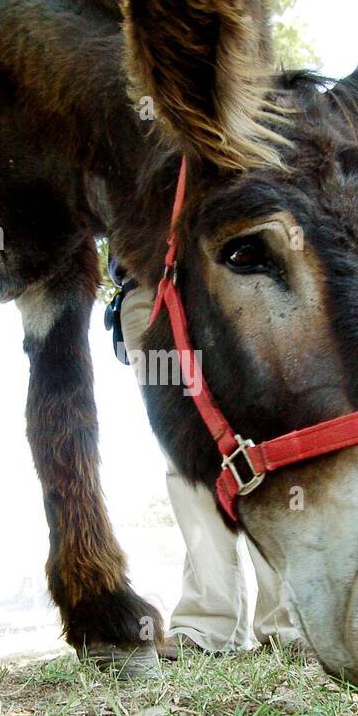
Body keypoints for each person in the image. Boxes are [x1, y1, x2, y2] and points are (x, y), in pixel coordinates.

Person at [107, 262, 302, 659]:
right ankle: (207, 626)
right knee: (185, 463)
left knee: (261, 446)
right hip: (146, 289)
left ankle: (288, 622)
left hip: (229, 275)